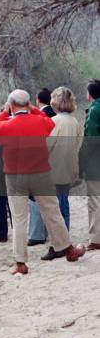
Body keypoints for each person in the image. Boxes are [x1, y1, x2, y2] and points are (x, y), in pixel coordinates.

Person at [0, 89, 85, 275]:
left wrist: (4, 112)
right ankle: (68, 249)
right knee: (52, 212)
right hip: (41, 173)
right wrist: (32, 109)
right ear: (28, 104)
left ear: (11, 105)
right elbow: (49, 123)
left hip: (15, 176)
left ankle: (20, 262)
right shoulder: (40, 121)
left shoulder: (7, 125)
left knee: (19, 218)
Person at [28, 87, 81, 245]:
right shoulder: (75, 121)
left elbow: (46, 147)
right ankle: (65, 236)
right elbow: (77, 144)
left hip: (53, 169)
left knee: (54, 207)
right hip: (69, 167)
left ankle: (60, 241)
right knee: (64, 203)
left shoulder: (54, 122)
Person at [28, 87, 57, 245]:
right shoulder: (56, 115)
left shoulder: (40, 117)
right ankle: (47, 233)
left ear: (38, 100)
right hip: (56, 163)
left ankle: (36, 234)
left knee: (34, 199)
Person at [79, 79, 100, 251]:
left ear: (90, 94)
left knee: (95, 201)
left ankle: (96, 239)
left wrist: (81, 161)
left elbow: (90, 140)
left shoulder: (94, 111)